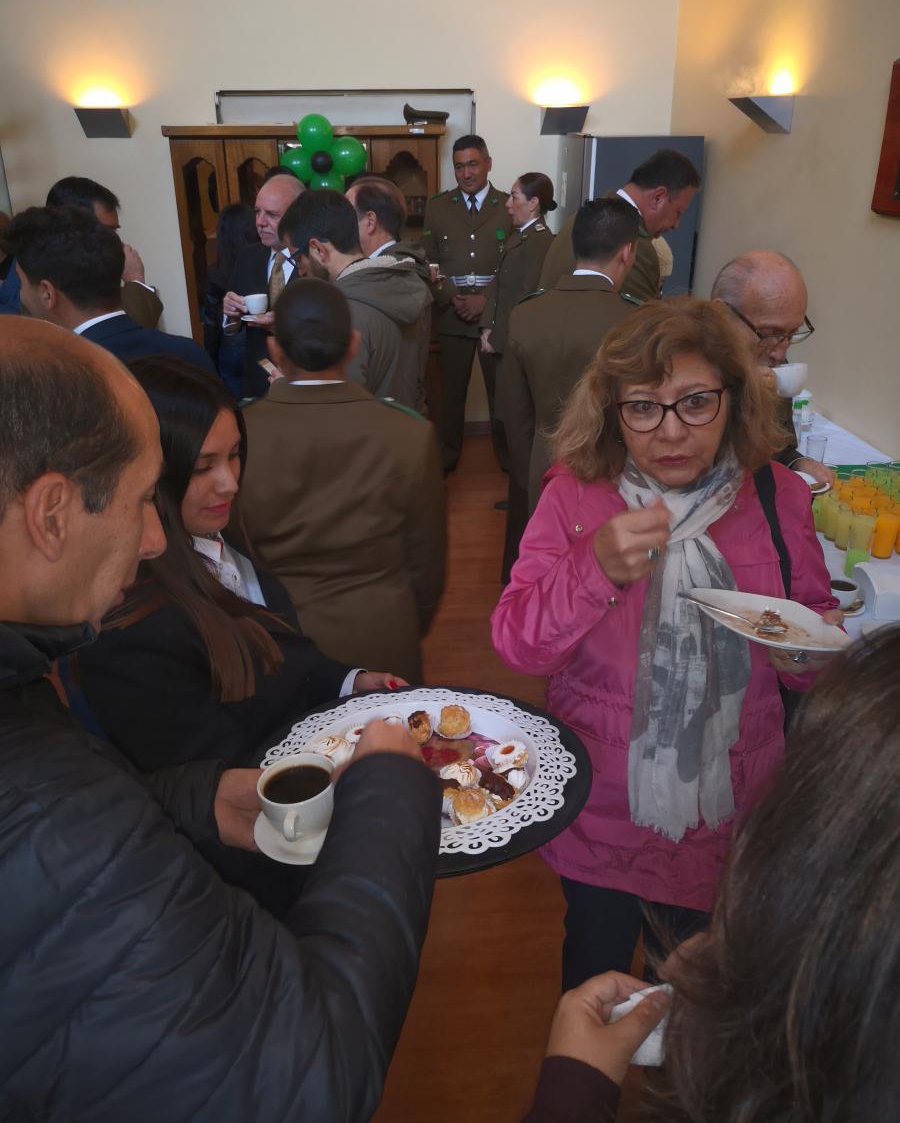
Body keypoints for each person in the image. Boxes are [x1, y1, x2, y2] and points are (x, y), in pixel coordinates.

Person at [0, 316, 441, 1122]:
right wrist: (388, 791)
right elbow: (312, 1073)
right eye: (145, 497)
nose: (151, 536)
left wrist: (195, 798)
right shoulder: (67, 765)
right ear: (52, 512)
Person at [491, 297, 838, 991]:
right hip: (604, 808)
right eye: (644, 407)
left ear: (733, 400)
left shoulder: (777, 497)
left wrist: (807, 656)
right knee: (594, 979)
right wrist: (594, 568)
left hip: (732, 810)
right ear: (612, 410)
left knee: (694, 996)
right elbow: (519, 646)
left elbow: (814, 628)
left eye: (696, 403)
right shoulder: (576, 496)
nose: (671, 432)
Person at [523, 625, 900, 1122]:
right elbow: (526, 643)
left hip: (707, 844)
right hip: (603, 828)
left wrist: (574, 1088)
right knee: (601, 960)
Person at [74, 355, 404, 774]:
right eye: (202, 467)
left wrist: (347, 682)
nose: (230, 482)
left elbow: (276, 658)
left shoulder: (215, 529)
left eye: (234, 455)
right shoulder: (131, 634)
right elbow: (216, 777)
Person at [241, 279, 446, 683]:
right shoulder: (408, 432)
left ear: (275, 351)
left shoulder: (241, 433)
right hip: (384, 634)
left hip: (280, 639)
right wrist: (411, 623)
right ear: (353, 344)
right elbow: (427, 563)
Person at [499, 197, 641, 512]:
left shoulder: (525, 314)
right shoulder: (636, 321)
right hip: (614, 470)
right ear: (626, 252)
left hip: (542, 464)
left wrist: (527, 472)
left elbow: (514, 412)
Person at [5, 205, 215, 372]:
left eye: (21, 282)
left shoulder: (59, 379)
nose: (20, 294)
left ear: (47, 293)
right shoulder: (191, 354)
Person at [279, 188, 431, 408]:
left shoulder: (341, 312)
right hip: (405, 423)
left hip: (367, 428)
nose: (300, 270)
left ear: (318, 249)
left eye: (296, 258)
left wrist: (293, 385)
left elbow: (340, 407)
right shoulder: (402, 284)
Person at [422, 134, 509, 472]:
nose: (466, 173)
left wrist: (485, 300)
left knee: (500, 393)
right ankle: (447, 458)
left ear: (488, 164)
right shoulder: (438, 207)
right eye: (459, 167)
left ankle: (507, 460)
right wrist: (449, 296)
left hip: (494, 317)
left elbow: (514, 265)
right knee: (450, 396)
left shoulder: (508, 206)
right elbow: (429, 262)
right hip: (452, 315)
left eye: (473, 164)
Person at [711, 250, 833, 487]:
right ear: (721, 316)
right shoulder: (679, 374)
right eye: (768, 334)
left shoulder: (773, 365)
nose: (781, 353)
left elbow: (778, 448)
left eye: (791, 334)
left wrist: (796, 463)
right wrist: (738, 390)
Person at [539, 148, 701, 304]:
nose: (676, 225)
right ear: (658, 198)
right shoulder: (633, 243)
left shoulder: (584, 218)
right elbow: (642, 321)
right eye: (678, 212)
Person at [479, 172, 556, 473]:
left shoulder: (539, 241)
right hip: (501, 340)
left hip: (513, 344)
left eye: (514, 197)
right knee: (504, 416)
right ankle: (512, 479)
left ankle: (523, 487)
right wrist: (487, 327)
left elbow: (526, 299)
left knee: (517, 422)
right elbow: (499, 287)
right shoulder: (519, 236)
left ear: (533, 203)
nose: (508, 204)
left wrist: (497, 336)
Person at [346, 175, 432, 411]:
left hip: (381, 410)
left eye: (347, 216)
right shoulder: (400, 267)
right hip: (404, 407)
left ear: (370, 221)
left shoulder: (380, 277)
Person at [222, 171, 303, 398]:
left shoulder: (316, 262)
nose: (260, 222)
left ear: (298, 216)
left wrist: (284, 325)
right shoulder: (248, 257)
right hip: (257, 386)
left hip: (304, 383)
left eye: (272, 214)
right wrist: (230, 315)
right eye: (257, 212)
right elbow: (232, 329)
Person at [45, 174, 164, 329]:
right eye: (105, 232)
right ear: (70, 230)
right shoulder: (45, 285)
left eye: (114, 231)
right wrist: (135, 280)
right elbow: (122, 337)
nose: (117, 243)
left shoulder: (96, 275)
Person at [201, 201, 258, 373]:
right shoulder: (265, 264)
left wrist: (211, 366)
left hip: (231, 345)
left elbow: (211, 326)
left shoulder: (215, 274)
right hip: (259, 340)